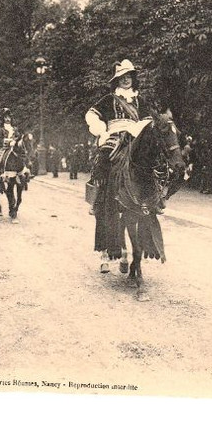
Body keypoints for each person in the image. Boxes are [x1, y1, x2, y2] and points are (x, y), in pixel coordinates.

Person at [85, 58, 149, 268]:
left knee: (150, 159)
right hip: (114, 135)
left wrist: (143, 128)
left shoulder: (140, 100)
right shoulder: (109, 99)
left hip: (136, 135)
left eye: (129, 76)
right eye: (122, 77)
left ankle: (152, 198)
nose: (126, 80)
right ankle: (100, 194)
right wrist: (102, 130)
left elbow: (149, 119)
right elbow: (91, 115)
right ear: (117, 81)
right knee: (105, 156)